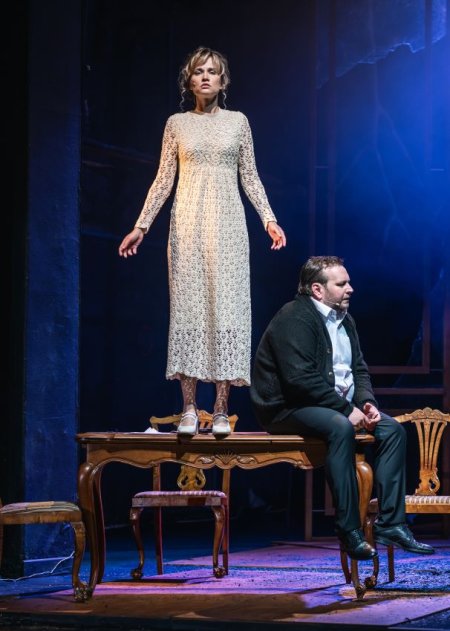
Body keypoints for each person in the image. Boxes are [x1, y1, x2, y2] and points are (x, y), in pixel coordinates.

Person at [119, 46, 286, 438]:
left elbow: (250, 176)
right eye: (198, 72)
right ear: (189, 81)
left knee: (227, 311)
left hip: (228, 227)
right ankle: (190, 408)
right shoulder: (177, 124)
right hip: (188, 226)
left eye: (212, 71)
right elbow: (163, 179)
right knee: (189, 311)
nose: (206, 77)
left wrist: (269, 218)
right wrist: (141, 225)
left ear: (223, 80)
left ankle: (223, 408)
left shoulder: (238, 122)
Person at [250, 256, 434, 560]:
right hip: (286, 408)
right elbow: (299, 379)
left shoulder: (345, 320)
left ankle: (391, 523)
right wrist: (346, 410)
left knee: (392, 430)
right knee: (340, 426)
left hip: (331, 406)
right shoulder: (294, 317)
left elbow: (358, 370)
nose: (351, 288)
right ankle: (349, 531)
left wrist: (367, 403)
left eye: (348, 282)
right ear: (317, 289)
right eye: (342, 284)